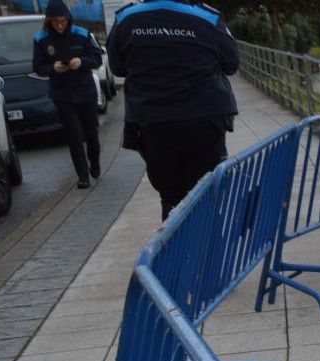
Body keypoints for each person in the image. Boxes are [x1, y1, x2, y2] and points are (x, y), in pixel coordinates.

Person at [107, 0, 239, 219]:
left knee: (170, 197)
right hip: (203, 118)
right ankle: (205, 237)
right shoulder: (206, 17)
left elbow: (117, 67)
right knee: (206, 193)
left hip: (153, 123)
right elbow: (232, 63)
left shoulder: (125, 19)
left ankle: (177, 239)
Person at [32, 0, 101, 189]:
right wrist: (53, 68)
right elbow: (38, 67)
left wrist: (81, 62)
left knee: (91, 132)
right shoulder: (41, 39)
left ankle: (95, 162)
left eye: (62, 21)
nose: (59, 25)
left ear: (68, 19)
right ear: (49, 21)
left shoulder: (82, 34)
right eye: (55, 22)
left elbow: (96, 59)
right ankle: (83, 175)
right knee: (74, 135)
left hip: (85, 90)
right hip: (62, 93)